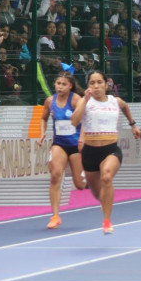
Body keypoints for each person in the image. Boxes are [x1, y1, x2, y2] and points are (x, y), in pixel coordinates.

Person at [71, 70, 141, 234]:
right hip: (90, 152)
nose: (96, 86)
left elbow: (125, 107)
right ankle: (105, 205)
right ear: (88, 86)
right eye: (92, 83)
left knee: (107, 176)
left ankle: (107, 220)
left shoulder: (114, 101)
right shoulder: (84, 101)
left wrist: (133, 125)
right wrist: (84, 101)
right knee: (97, 193)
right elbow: (74, 121)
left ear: (106, 84)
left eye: (99, 82)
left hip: (110, 149)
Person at [39, 71, 87, 229]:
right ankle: (55, 216)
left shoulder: (75, 100)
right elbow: (43, 118)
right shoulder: (49, 101)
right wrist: (42, 133)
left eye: (63, 84)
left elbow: (85, 119)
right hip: (59, 143)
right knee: (55, 175)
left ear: (70, 86)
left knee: (79, 184)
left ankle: (91, 174)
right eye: (58, 83)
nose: (60, 87)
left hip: (75, 145)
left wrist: (82, 138)